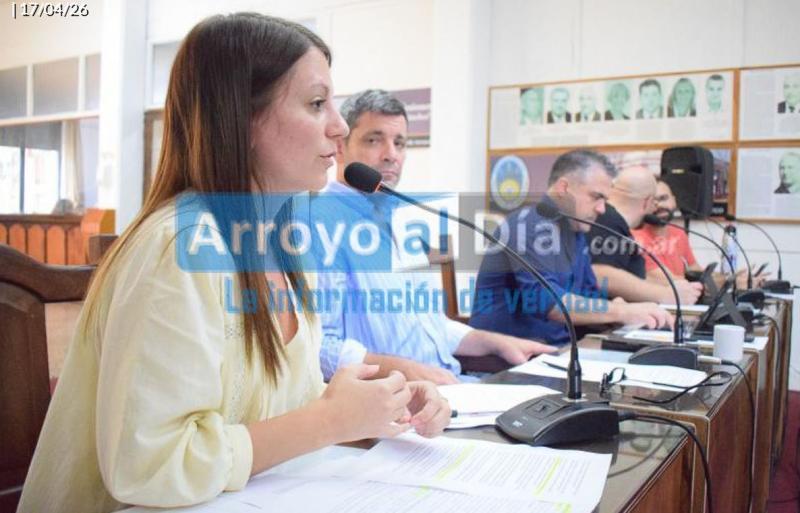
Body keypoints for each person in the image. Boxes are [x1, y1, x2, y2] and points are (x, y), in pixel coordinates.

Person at [18, 14, 450, 513]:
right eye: (316, 104)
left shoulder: (285, 245)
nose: (339, 126)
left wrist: (380, 409)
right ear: (241, 119)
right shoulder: (177, 249)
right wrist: (332, 420)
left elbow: (282, 412)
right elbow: (151, 465)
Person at [316, 90, 555, 385]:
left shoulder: (403, 222)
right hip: (391, 398)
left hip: (454, 386)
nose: (391, 154)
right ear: (340, 147)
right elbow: (317, 347)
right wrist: (403, 370)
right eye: (374, 140)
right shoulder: (321, 226)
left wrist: (495, 342)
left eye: (399, 143)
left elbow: (431, 327)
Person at [469, 150, 672, 346]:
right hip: (507, 358)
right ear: (563, 188)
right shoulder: (527, 225)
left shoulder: (575, 229)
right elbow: (551, 304)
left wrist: (619, 310)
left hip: (557, 350)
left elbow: (587, 295)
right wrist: (621, 312)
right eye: (596, 197)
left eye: (605, 200)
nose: (602, 209)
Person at [587, 167, 703, 305]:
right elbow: (600, 274)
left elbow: (634, 276)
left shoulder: (616, 223)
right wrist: (664, 294)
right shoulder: (608, 221)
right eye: (654, 202)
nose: (654, 208)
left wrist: (674, 288)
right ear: (647, 202)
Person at [631, 179, 701, 279]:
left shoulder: (679, 233)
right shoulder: (634, 237)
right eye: (652, 201)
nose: (659, 205)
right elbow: (665, 280)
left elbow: (694, 268)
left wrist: (716, 279)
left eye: (663, 198)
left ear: (674, 201)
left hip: (684, 288)